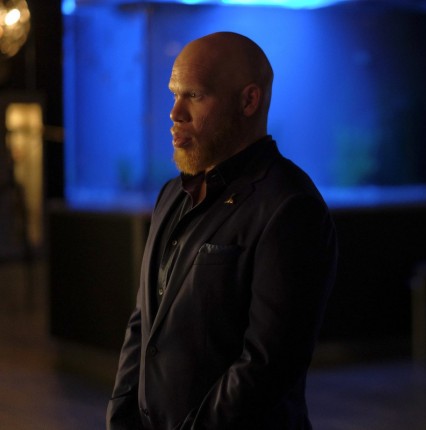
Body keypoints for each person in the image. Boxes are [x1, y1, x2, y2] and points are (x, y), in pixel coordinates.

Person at [106, 31, 338, 430]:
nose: (175, 112)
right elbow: (144, 324)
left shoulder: (290, 206)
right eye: (174, 94)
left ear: (249, 101)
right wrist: (120, 418)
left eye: (194, 96)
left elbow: (267, 364)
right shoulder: (171, 194)